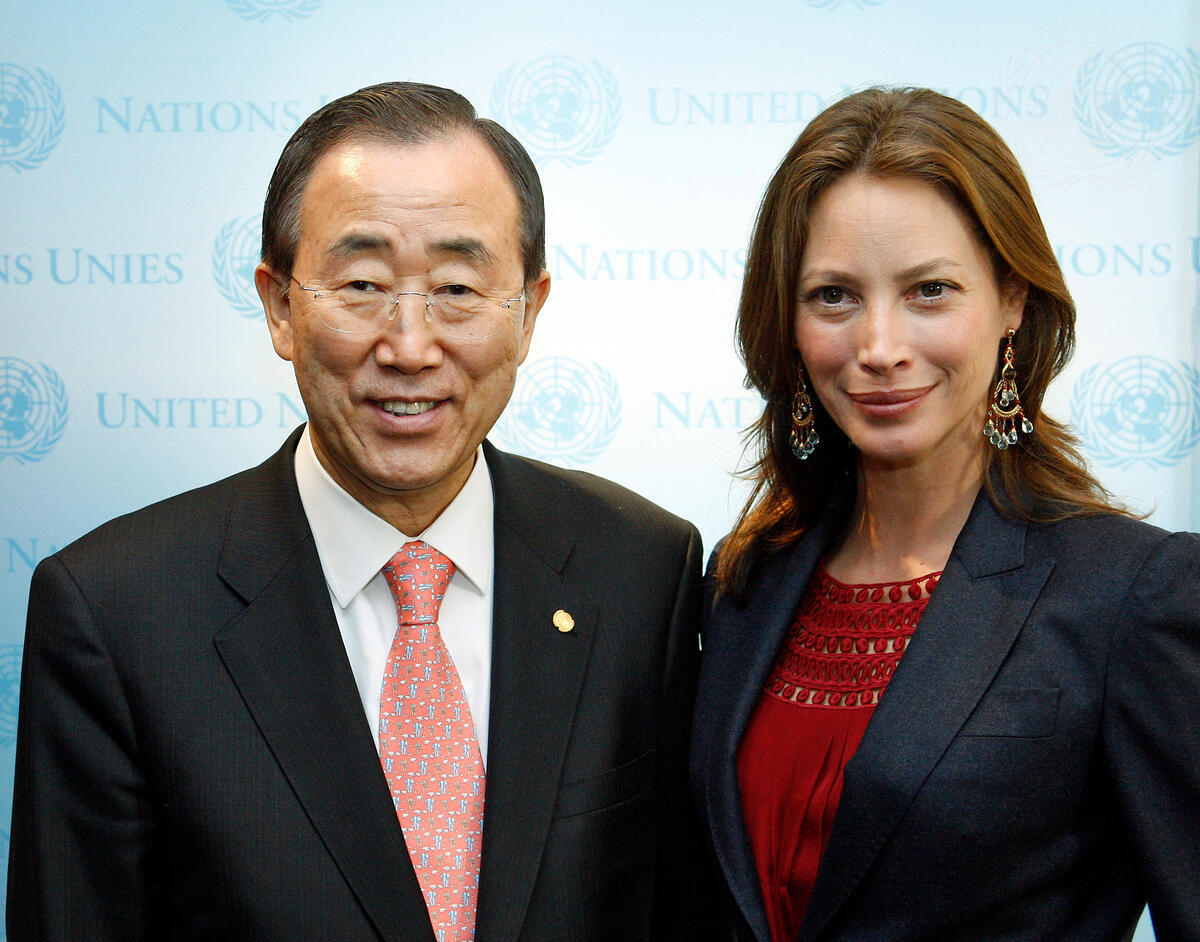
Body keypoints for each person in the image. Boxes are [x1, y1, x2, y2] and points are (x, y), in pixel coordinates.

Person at [10, 82, 719, 942]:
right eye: (362, 283)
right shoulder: (117, 612)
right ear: (279, 306)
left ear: (529, 313)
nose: (410, 346)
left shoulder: (642, 570)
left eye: (457, 287)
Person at [690, 86, 1200, 942]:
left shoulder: (1133, 596)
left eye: (930, 290)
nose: (879, 347)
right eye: (833, 296)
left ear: (1012, 300)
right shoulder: (744, 581)